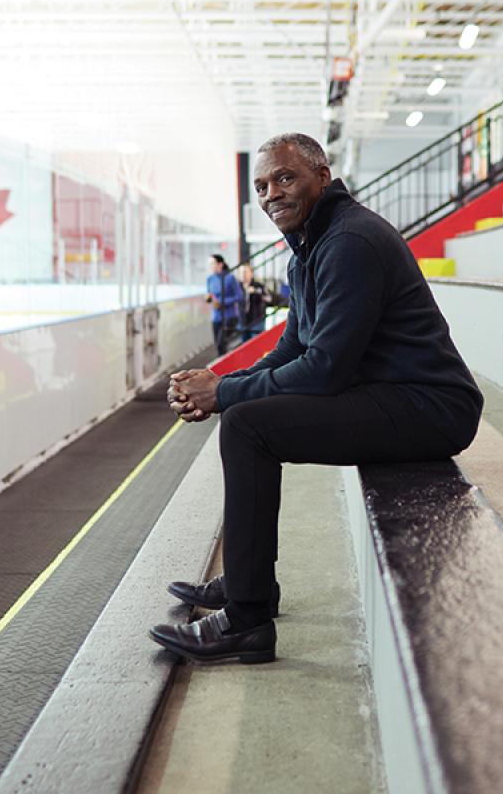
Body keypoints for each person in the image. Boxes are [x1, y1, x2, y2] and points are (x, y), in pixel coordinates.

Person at [150, 133, 483, 664]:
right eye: (261, 185)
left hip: (430, 407)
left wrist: (224, 393)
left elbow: (324, 369)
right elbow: (291, 348)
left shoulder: (349, 243)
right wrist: (218, 383)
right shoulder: (309, 247)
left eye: (284, 178)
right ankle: (247, 583)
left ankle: (247, 618)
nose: (271, 194)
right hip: (390, 396)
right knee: (244, 414)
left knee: (247, 427)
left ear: (322, 177)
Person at [205, 254, 243, 357]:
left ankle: (225, 369)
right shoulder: (210, 279)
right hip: (216, 317)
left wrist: (222, 302)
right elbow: (210, 294)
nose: (210, 267)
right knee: (218, 345)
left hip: (229, 316)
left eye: (212, 264)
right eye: (209, 264)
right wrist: (209, 298)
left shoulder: (230, 278)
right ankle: (221, 369)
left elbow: (239, 296)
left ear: (220, 264)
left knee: (223, 344)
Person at [236, 263, 271, 341]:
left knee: (256, 345)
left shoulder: (258, 285)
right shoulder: (237, 287)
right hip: (243, 321)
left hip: (256, 321)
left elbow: (269, 298)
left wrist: (256, 291)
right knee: (243, 346)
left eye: (246, 272)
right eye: (241, 272)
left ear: (251, 273)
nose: (243, 274)